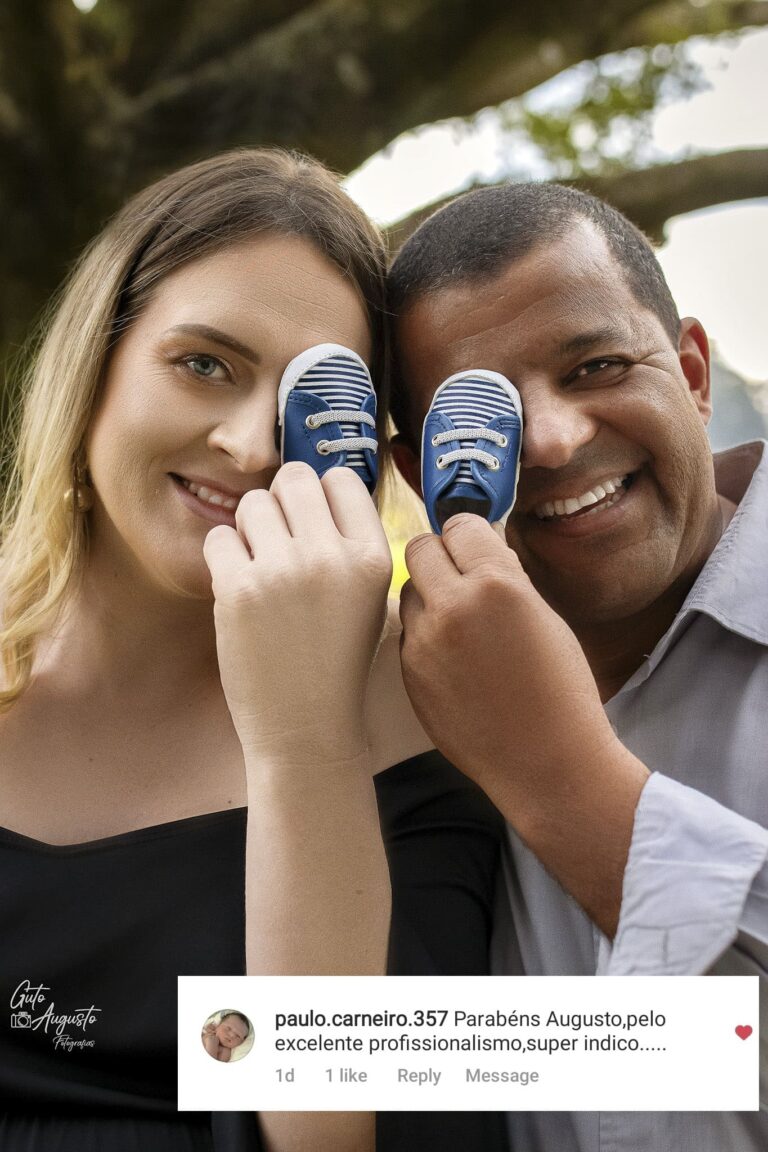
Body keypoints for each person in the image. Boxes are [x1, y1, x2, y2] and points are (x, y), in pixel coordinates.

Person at [0, 149, 506, 1152]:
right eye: (204, 364)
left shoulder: (414, 751)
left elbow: (332, 1131)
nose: (251, 446)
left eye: (318, 407)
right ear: (97, 365)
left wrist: (303, 746)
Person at [385, 182, 768, 1150]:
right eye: (483, 413)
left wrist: (556, 778)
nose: (553, 440)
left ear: (690, 371)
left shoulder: (488, 738)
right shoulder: (395, 723)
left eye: (597, 365)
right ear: (412, 470)